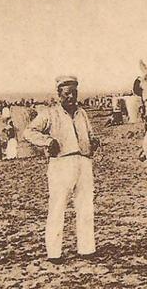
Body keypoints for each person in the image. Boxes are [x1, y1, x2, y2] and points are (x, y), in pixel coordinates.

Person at [24, 75, 100, 264]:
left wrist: (94, 141)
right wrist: (48, 141)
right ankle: (54, 252)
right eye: (67, 94)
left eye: (74, 93)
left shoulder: (82, 113)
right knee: (58, 207)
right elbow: (29, 132)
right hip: (61, 163)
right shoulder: (50, 113)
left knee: (85, 206)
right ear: (59, 94)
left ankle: (86, 248)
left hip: (83, 161)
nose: (71, 97)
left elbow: (91, 133)